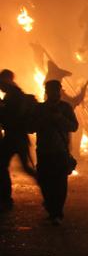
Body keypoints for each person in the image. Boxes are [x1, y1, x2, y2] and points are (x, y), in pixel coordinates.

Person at [33, 80, 79, 225]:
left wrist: (60, 118)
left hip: (60, 151)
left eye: (57, 90)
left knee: (60, 183)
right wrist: (43, 119)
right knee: (45, 182)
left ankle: (57, 212)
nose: (55, 93)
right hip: (44, 150)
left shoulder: (65, 108)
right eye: (51, 90)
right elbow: (30, 127)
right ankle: (52, 208)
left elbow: (74, 127)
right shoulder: (40, 109)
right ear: (47, 91)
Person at [0, 69, 37, 212]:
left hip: (14, 137)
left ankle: (5, 199)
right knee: (23, 167)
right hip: (17, 137)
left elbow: (11, 117)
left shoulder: (14, 96)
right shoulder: (15, 94)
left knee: (3, 165)